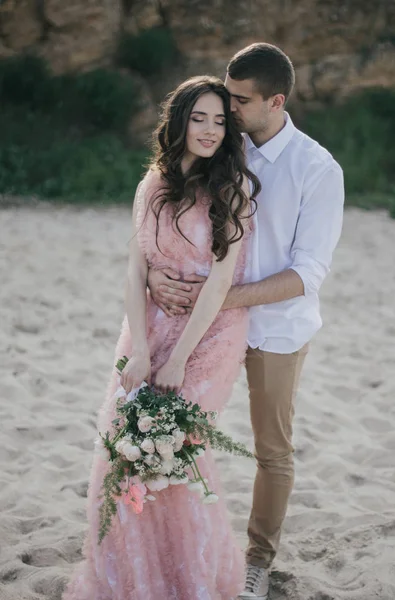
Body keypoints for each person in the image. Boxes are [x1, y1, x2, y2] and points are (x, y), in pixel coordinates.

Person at [147, 43, 345, 600]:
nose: (227, 109)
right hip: (202, 327)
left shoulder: (318, 169)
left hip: (277, 331)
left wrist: (220, 298)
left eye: (239, 100)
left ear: (275, 101)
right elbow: (168, 221)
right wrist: (153, 280)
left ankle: (257, 560)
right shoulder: (221, 149)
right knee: (169, 431)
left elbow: (309, 273)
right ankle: (168, 545)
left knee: (271, 451)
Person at [62, 75, 261, 600]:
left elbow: (221, 281)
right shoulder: (151, 183)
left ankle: (190, 580)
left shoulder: (231, 189)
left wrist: (178, 361)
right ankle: (133, 579)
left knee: (179, 450)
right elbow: (134, 269)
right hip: (147, 326)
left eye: (220, 120)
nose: (210, 130)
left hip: (210, 335)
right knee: (122, 450)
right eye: (199, 118)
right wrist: (145, 351)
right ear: (178, 121)